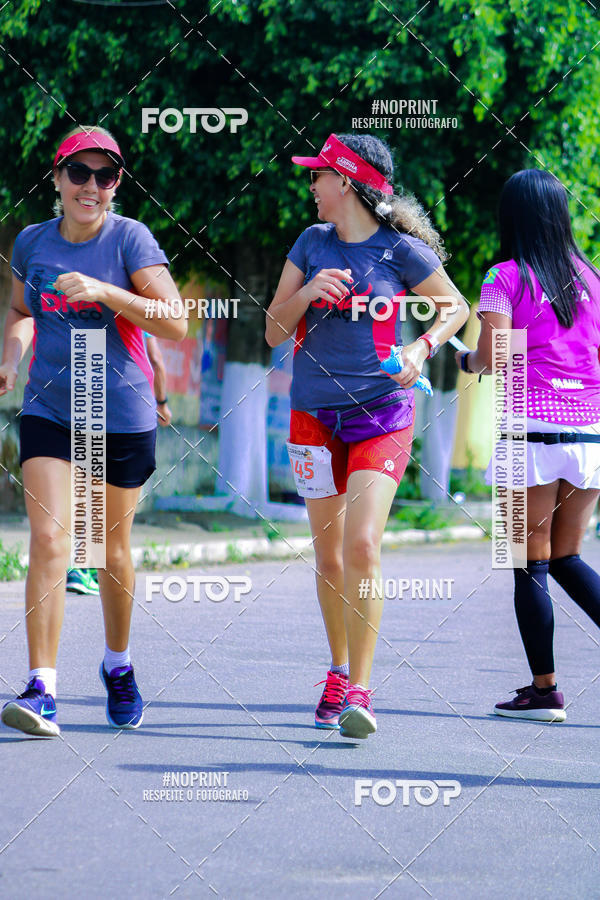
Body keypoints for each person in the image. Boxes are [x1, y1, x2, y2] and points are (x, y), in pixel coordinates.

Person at [266, 133, 468, 739]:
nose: (311, 186)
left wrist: (422, 345)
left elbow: (454, 306)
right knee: (328, 557)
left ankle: (361, 687)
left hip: (382, 414)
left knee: (361, 547)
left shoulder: (401, 252)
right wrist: (307, 293)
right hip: (313, 418)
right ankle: (336, 668)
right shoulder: (311, 243)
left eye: (319, 175)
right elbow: (274, 331)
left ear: (346, 182)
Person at [0, 125, 186, 737]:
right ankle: (42, 687)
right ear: (57, 178)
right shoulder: (31, 242)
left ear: (116, 186)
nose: (91, 187)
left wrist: (107, 290)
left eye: (105, 176)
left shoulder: (129, 238)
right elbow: (23, 310)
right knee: (51, 540)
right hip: (52, 407)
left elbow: (176, 322)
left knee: (108, 552)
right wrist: (11, 355)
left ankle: (118, 664)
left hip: (121, 411)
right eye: (79, 173)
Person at [456, 169, 600, 722]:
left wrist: (463, 360)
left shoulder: (505, 276)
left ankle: (544, 692)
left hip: (530, 431)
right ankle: (542, 691)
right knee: (568, 557)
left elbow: (493, 356)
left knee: (528, 562)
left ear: (510, 216)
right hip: (588, 433)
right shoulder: (591, 278)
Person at [64, 336, 173, 597]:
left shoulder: (89, 320)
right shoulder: (137, 322)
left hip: (84, 405)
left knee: (86, 490)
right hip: (127, 415)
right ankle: (90, 568)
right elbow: (156, 361)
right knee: (113, 506)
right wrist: (162, 403)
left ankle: (81, 566)